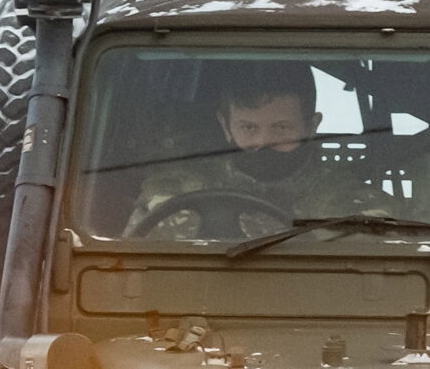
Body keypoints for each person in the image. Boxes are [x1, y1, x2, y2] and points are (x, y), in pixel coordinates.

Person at [121, 62, 386, 239]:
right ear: (226, 127)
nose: (263, 141)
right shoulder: (169, 196)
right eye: (248, 128)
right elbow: (131, 275)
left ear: (312, 126)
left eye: (281, 128)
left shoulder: (354, 206)